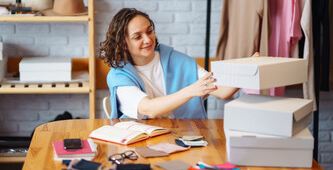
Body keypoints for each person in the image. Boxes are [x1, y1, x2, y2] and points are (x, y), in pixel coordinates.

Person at [99, 8, 254, 119]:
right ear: (123, 43)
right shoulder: (119, 75)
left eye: (149, 31)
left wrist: (250, 69)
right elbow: (148, 109)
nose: (147, 39)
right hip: (139, 140)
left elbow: (222, 91)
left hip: (185, 135)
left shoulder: (177, 60)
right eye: (137, 37)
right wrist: (191, 91)